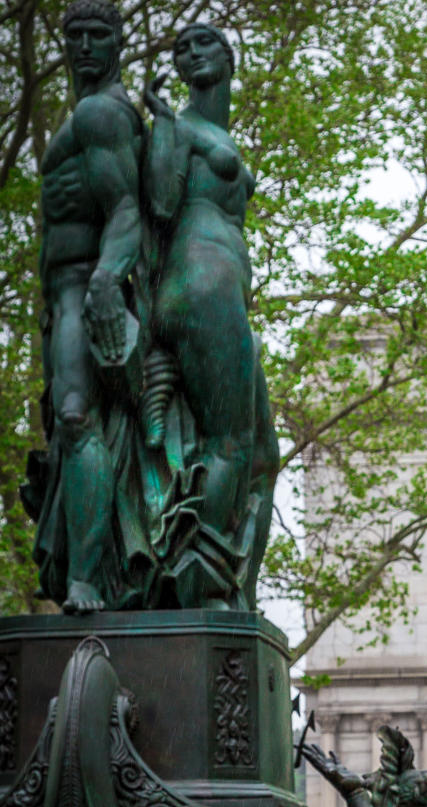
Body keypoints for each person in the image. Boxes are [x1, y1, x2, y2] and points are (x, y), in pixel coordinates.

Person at [142, 22, 278, 608]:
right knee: (229, 444)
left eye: (204, 44)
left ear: (228, 57)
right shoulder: (178, 125)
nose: (191, 53)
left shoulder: (216, 131)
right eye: (181, 49)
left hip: (219, 292)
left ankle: (235, 588)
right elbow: (161, 203)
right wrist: (166, 128)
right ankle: (197, 585)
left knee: (264, 455)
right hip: (201, 285)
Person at [31, 0, 142, 613]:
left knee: (77, 417)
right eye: (75, 35)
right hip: (58, 297)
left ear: (119, 42)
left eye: (99, 34)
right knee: (68, 429)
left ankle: (86, 580)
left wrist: (104, 281)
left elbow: (125, 207)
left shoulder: (101, 113)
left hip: (83, 287)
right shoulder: (82, 117)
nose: (85, 46)